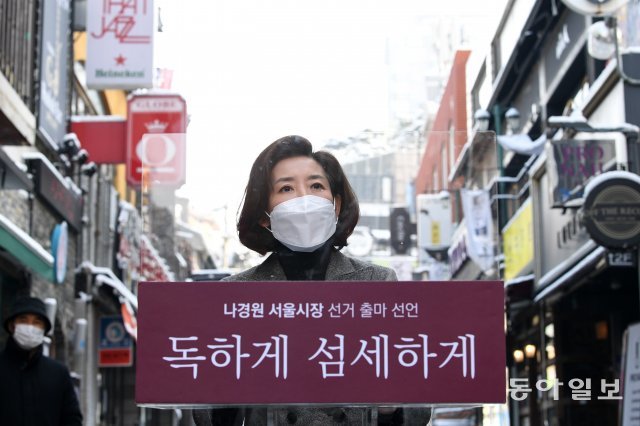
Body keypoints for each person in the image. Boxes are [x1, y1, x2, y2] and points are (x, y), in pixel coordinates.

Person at [193, 135, 431, 425]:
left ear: (336, 204)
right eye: (286, 188)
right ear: (264, 215)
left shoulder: (377, 283)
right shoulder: (236, 294)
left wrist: (390, 405)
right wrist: (229, 388)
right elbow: (205, 416)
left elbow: (419, 411)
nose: (304, 199)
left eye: (316, 186)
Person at [0, 296, 83, 426]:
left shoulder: (58, 374)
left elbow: (72, 419)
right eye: (23, 320)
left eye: (36, 322)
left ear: (44, 329)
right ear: (12, 326)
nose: (30, 327)